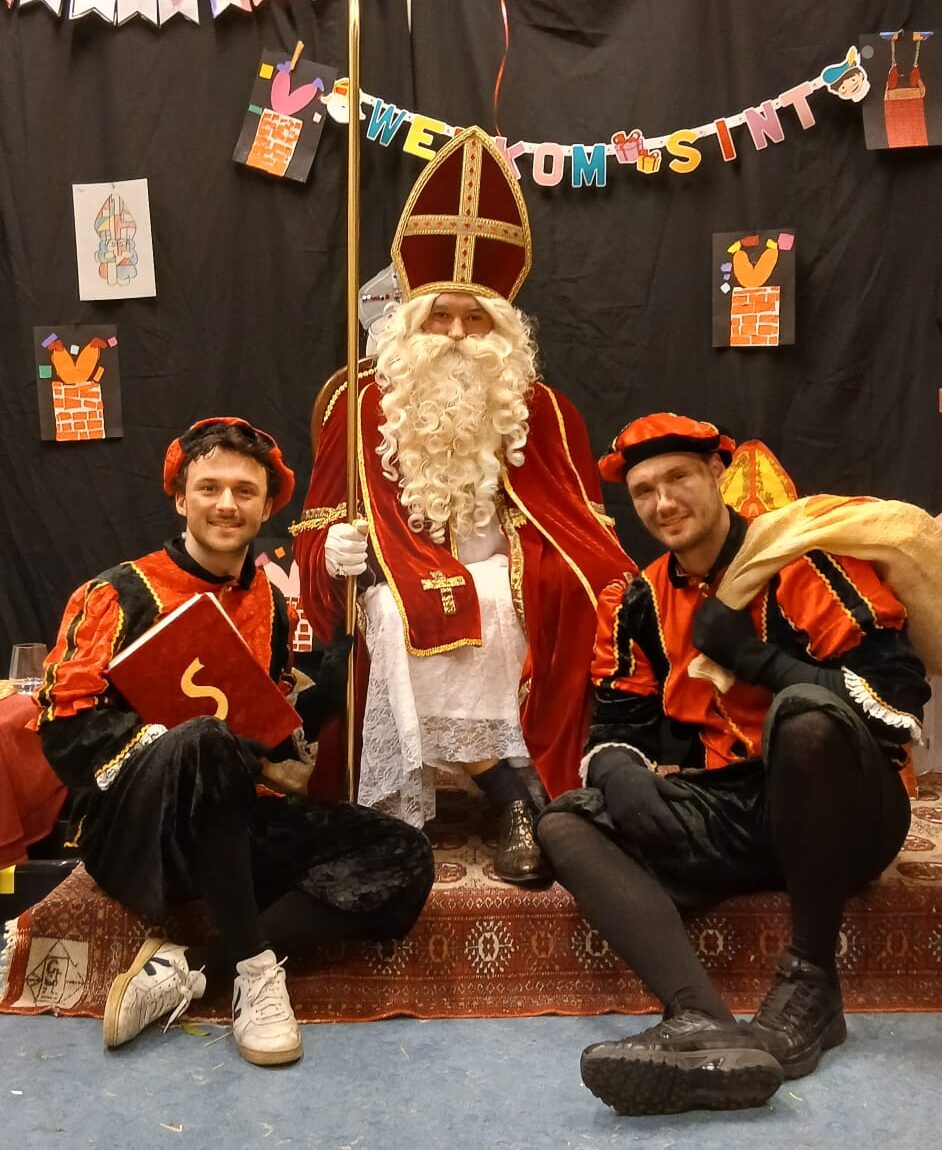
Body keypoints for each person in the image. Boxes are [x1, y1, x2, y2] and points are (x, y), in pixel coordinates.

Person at [536, 412, 930, 1115]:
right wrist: (619, 772)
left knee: (804, 720)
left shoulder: (805, 564)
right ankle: (702, 1021)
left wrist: (756, 660)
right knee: (566, 824)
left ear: (717, 475)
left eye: (679, 479)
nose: (664, 503)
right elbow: (617, 724)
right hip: (744, 807)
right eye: (645, 490)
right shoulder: (637, 600)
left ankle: (813, 982)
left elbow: (896, 706)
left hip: (848, 812)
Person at [35, 417, 434, 1066]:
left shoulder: (273, 607)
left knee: (403, 850)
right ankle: (255, 973)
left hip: (233, 825)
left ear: (268, 507)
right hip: (139, 834)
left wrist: (303, 723)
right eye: (210, 488)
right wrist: (202, 747)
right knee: (205, 739)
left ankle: (197, 965)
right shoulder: (116, 593)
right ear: (180, 498)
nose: (227, 504)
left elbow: (268, 719)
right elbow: (65, 732)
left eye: (245, 492)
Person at [293, 127, 634, 884]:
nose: (456, 333)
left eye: (475, 318)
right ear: (410, 321)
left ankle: (528, 786)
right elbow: (313, 529)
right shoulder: (361, 402)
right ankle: (511, 797)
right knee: (395, 612)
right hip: (398, 582)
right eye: (440, 316)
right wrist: (333, 549)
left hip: (507, 576)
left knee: (518, 602)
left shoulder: (544, 410)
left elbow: (586, 535)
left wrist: (541, 568)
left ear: (502, 328)